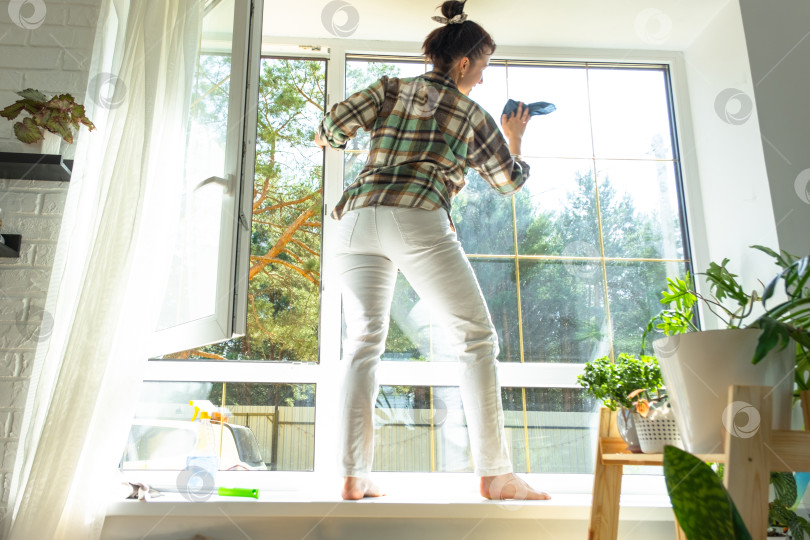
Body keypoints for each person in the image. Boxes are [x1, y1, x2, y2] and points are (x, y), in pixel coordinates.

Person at [315, 0, 551, 502]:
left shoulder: (391, 88)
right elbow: (508, 185)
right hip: (416, 214)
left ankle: (353, 477)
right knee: (476, 341)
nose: (483, 79)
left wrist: (348, 138)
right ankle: (496, 475)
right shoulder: (472, 113)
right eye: (482, 66)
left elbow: (333, 127)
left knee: (361, 345)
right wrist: (515, 138)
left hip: (355, 218)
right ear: (464, 62)